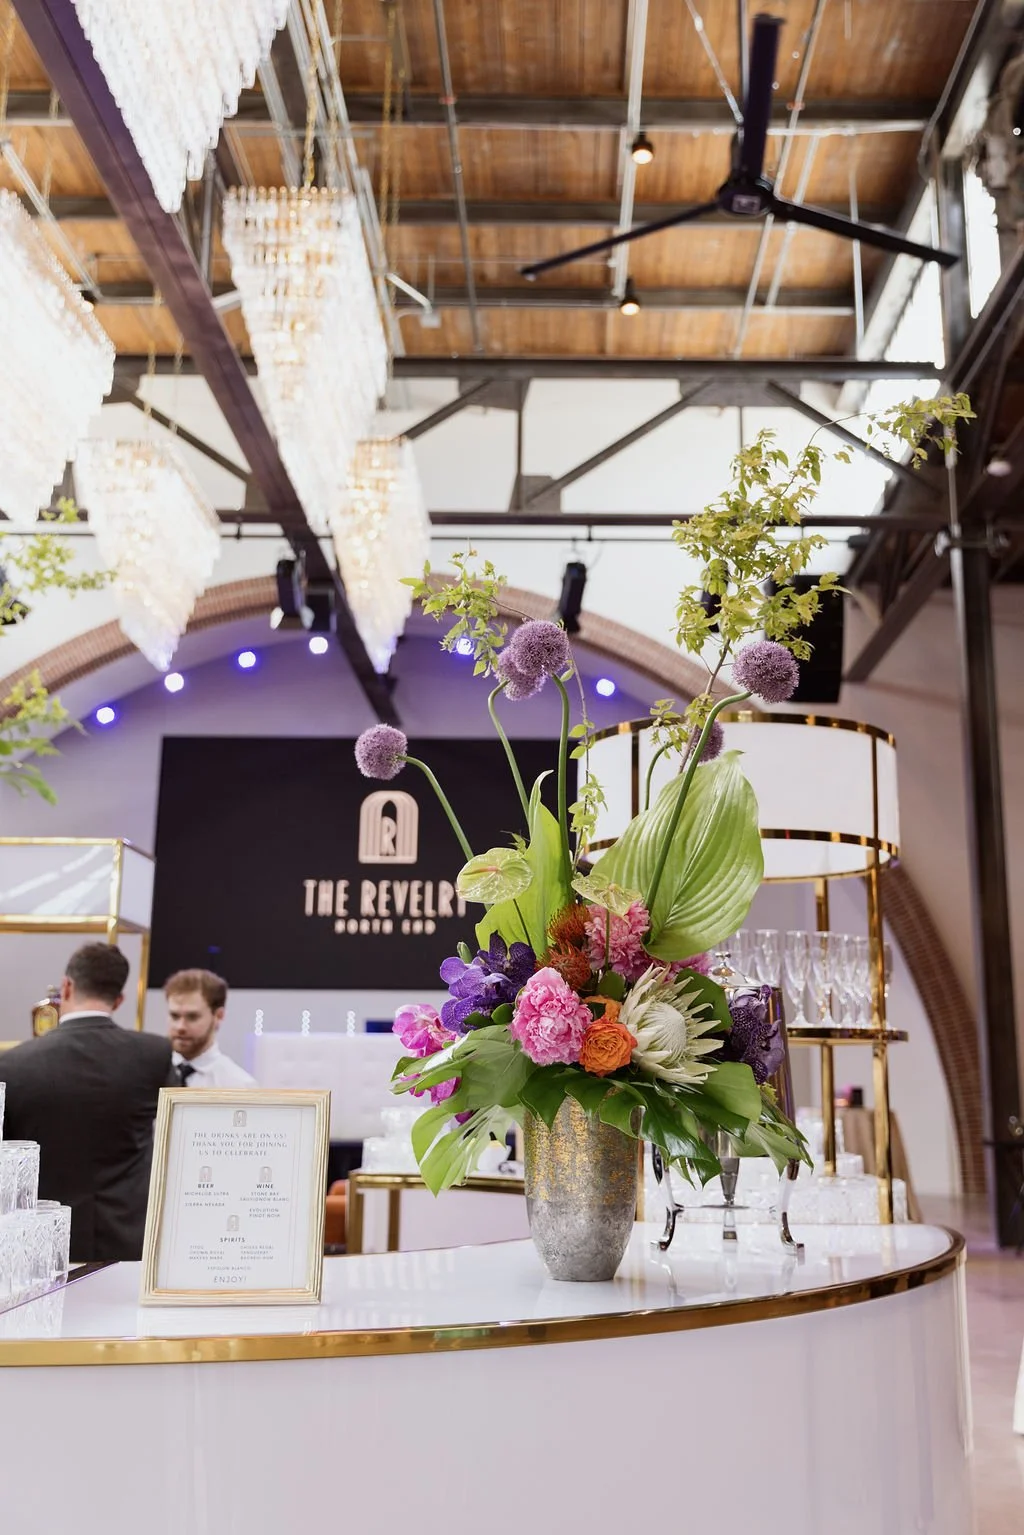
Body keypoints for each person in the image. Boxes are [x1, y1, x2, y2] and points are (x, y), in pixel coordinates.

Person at [0, 943, 174, 1262]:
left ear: (66, 987)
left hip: (39, 1250)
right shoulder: (154, 1055)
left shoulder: (11, 1065)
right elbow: (177, 1144)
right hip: (130, 1244)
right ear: (119, 999)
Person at [164, 969, 255, 1087]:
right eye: (174, 1016)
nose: (180, 1027)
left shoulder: (238, 1085)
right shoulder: (148, 1075)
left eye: (192, 1017)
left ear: (218, 1016)